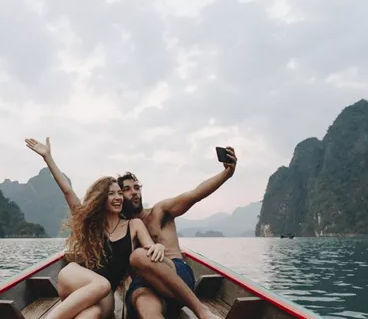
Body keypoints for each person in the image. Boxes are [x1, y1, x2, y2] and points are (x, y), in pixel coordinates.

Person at [26, 137, 222, 319]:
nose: (118, 197)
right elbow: (67, 191)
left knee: (92, 312)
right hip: (75, 279)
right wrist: (48, 158)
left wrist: (159, 247)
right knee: (99, 283)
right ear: (102, 199)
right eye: (112, 194)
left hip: (104, 295)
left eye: (120, 193)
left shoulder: (134, 225)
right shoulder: (92, 224)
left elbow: (148, 250)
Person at [120, 146, 237, 319]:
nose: (134, 192)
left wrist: (227, 174)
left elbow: (195, 194)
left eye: (136, 187)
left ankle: (202, 311)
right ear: (119, 195)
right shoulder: (122, 226)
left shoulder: (160, 211)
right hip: (145, 283)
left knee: (139, 255)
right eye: (128, 189)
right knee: (143, 304)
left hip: (176, 273)